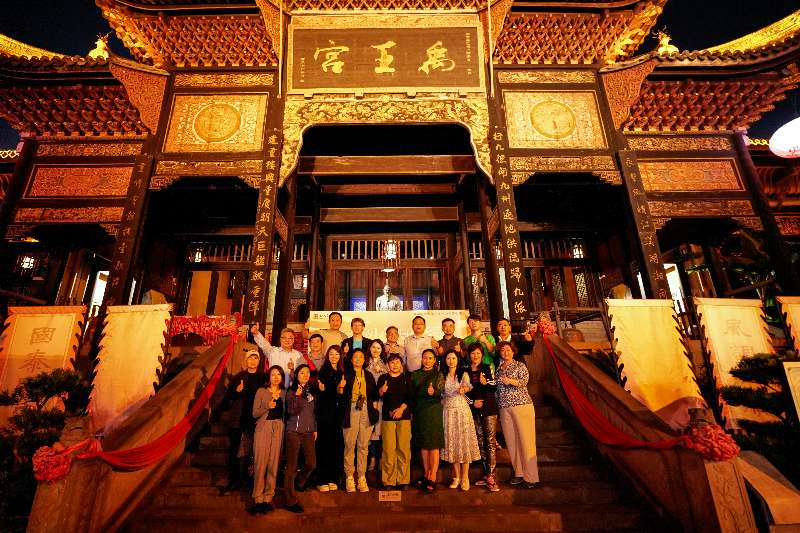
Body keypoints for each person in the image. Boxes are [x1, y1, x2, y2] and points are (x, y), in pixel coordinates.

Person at [495, 341, 539, 488]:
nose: (505, 352)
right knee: (511, 442)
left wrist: (511, 381)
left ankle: (531, 477)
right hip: (504, 408)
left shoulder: (520, 365)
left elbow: (524, 380)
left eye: (508, 350)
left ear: (513, 352)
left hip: (521, 405)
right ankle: (519, 473)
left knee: (526, 441)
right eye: (502, 351)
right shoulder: (498, 369)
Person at [221, 348, 263, 493]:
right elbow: (227, 399)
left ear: (259, 361)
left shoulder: (262, 378)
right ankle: (234, 480)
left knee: (252, 451)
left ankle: (249, 479)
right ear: (246, 360)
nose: (253, 360)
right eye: (250, 358)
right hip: (238, 419)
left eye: (255, 358)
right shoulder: (239, 377)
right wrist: (236, 391)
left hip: (255, 420)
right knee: (234, 450)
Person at [338, 348, 379, 493]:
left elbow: (374, 396)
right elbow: (340, 395)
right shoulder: (346, 374)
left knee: (363, 446)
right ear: (351, 359)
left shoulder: (368, 375)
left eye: (361, 357)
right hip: (351, 411)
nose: (358, 359)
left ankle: (361, 477)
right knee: (349, 445)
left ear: (364, 360)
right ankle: (349, 476)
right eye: (355, 357)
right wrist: (340, 388)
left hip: (366, 411)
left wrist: (373, 412)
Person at [440, 349, 481, 491]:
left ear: (458, 360)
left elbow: (468, 386)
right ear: (445, 360)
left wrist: (464, 389)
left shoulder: (463, 374)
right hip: (447, 412)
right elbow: (440, 394)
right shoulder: (442, 376)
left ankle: (465, 477)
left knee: (464, 443)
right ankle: (456, 477)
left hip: (462, 411)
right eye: (448, 358)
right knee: (452, 444)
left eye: (453, 358)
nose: (451, 361)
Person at [464, 342, 500, 492]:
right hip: (473, 409)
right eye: (472, 353)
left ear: (482, 354)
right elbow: (463, 391)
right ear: (469, 355)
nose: (475, 356)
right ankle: (486, 474)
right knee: (479, 441)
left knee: (490, 441)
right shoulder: (464, 369)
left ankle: (491, 475)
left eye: (478, 353)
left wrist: (486, 383)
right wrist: (473, 403)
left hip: (489, 408)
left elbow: (494, 385)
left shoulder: (486, 367)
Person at [250, 365, 286, 513]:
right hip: (263, 427)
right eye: (273, 375)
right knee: (260, 463)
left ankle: (268, 497)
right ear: (269, 377)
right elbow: (254, 413)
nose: (276, 377)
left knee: (273, 463)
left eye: (279, 374)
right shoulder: (261, 391)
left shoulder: (284, 393)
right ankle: (257, 497)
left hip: (278, 428)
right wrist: (268, 405)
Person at [284, 364, 317, 513]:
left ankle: (299, 482)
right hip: (294, 432)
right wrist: (297, 396)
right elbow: (291, 411)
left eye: (307, 373)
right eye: (301, 373)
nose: (305, 375)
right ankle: (290, 500)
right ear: (296, 375)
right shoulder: (291, 391)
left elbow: (312, 412)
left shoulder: (311, 391)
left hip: (309, 432)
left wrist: (315, 428)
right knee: (291, 465)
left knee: (311, 463)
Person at [410, 348, 444, 492]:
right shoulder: (415, 374)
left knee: (434, 444)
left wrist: (434, 392)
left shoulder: (439, 375)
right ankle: (426, 474)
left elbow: (442, 392)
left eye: (430, 358)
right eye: (425, 358)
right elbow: (411, 393)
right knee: (424, 444)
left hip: (434, 411)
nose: (427, 360)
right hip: (420, 411)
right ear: (421, 359)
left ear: (434, 360)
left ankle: (433, 476)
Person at [377, 353, 413, 490]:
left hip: (404, 418)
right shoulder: (383, 378)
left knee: (403, 449)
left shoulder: (406, 378)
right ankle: (389, 481)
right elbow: (377, 395)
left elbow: (410, 398)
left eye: (397, 362)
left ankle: (403, 480)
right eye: (392, 362)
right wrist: (382, 390)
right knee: (388, 450)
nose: (395, 365)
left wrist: (401, 409)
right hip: (388, 419)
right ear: (387, 365)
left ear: (401, 364)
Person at [315, 345, 345, 492]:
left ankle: (333, 477)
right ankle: (321, 479)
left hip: (337, 415)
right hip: (325, 414)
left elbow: (342, 394)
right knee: (323, 446)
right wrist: (334, 389)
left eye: (336, 354)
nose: (334, 356)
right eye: (331, 354)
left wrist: (340, 390)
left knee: (335, 446)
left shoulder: (342, 372)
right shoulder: (324, 371)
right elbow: (322, 393)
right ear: (328, 356)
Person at [250, 324, 301, 388]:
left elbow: (301, 375)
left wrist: (292, 370)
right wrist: (256, 333)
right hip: (274, 388)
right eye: (284, 338)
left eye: (290, 338)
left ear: (293, 340)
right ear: (280, 339)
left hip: (291, 389)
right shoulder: (273, 352)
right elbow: (264, 345)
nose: (287, 340)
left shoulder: (298, 355)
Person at [366, 339, 389, 472]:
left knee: (379, 432)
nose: (375, 350)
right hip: (368, 401)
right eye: (373, 347)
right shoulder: (364, 363)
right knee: (370, 433)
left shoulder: (386, 365)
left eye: (379, 348)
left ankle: (380, 459)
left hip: (381, 402)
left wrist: (382, 371)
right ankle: (372, 459)